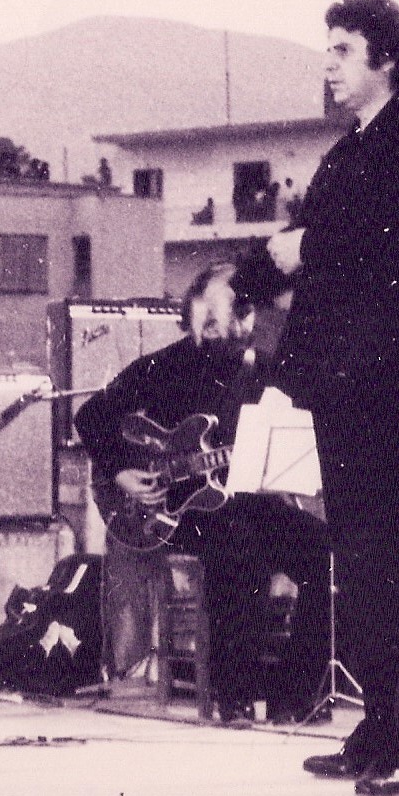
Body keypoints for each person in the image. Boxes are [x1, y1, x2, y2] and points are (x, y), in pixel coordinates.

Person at [269, 0, 399, 796]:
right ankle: (377, 730)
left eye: (344, 49)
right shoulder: (351, 148)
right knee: (361, 565)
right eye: (329, 48)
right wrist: (241, 281)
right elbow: (307, 249)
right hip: (345, 380)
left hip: (388, 380)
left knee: (387, 567)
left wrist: (304, 246)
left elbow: (390, 247)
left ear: (387, 59)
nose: (329, 63)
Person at [76, 259, 332, 723]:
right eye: (225, 307)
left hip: (241, 500)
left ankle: (295, 695)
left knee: (325, 553)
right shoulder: (163, 366)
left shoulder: (262, 368)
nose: (236, 319)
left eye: (239, 308)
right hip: (172, 510)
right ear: (198, 309)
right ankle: (232, 694)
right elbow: (90, 416)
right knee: (239, 545)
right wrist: (120, 472)